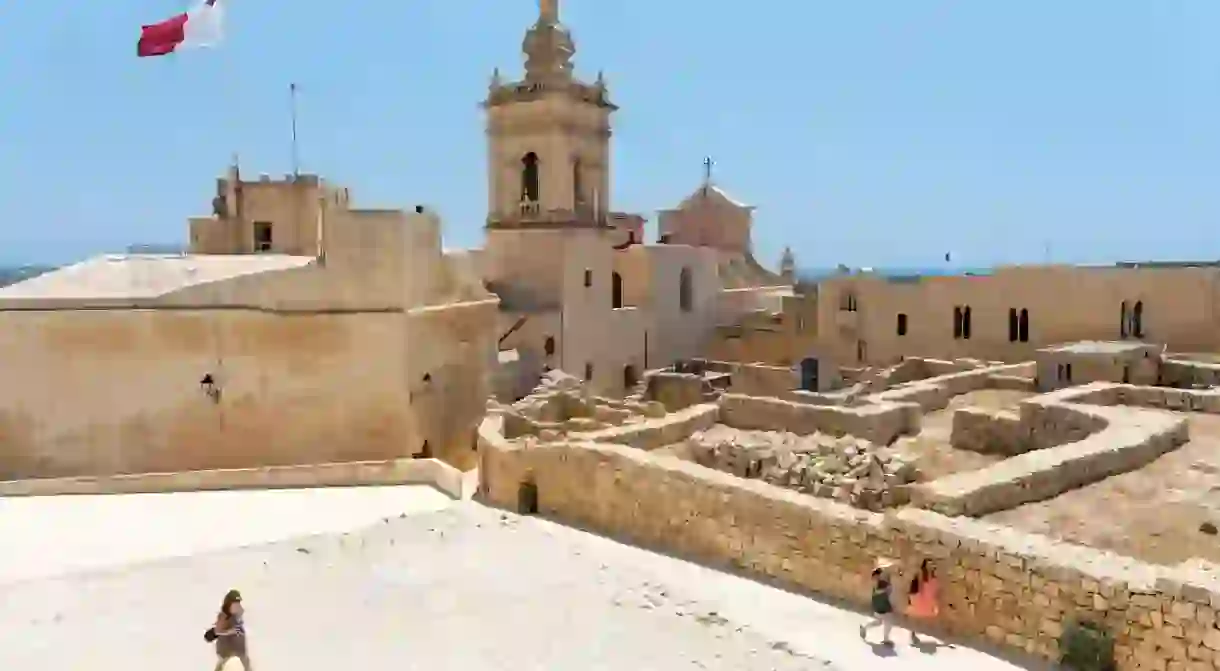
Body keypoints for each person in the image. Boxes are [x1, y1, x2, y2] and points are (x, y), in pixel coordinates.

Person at [212, 589, 251, 671]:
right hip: (228, 657)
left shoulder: (237, 621)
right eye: (234, 604)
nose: (236, 606)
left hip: (239, 657)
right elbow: (220, 635)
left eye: (237, 603)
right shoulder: (224, 619)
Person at [859, 558, 895, 645]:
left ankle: (865, 628)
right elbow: (877, 591)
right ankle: (886, 639)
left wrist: (888, 589)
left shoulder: (883, 579)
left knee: (880, 621)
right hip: (880, 602)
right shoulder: (876, 578)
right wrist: (886, 590)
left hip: (882, 601)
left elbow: (888, 589)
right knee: (888, 620)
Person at [907, 559, 941, 645]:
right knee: (916, 614)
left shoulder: (933, 576)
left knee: (926, 614)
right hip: (919, 597)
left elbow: (934, 588)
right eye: (928, 564)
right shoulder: (920, 574)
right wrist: (913, 597)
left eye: (932, 564)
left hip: (928, 598)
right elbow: (914, 585)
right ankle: (913, 632)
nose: (930, 566)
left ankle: (917, 631)